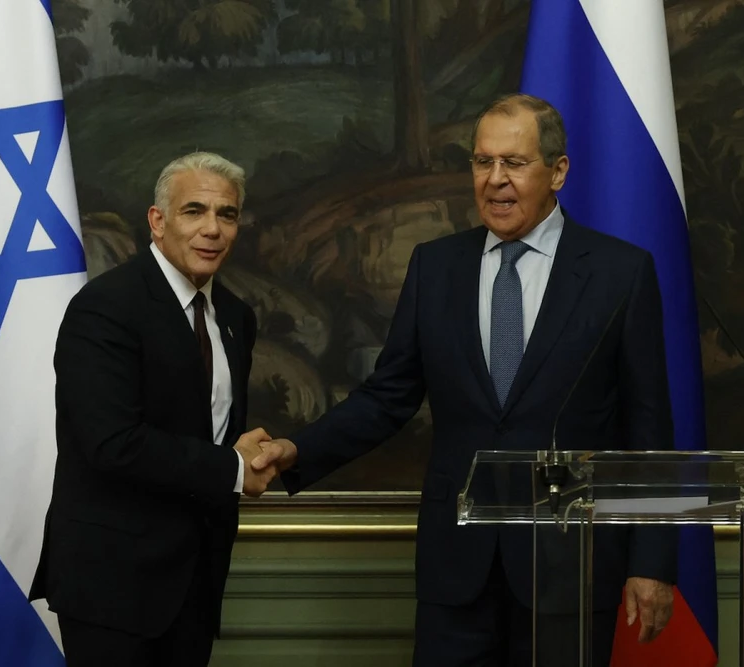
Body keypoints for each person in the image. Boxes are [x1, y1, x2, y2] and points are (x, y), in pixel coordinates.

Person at [255, 94, 677, 666]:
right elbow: (387, 397)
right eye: (482, 162)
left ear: (558, 171)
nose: (495, 179)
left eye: (514, 163)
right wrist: (297, 450)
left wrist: (651, 561)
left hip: (570, 569)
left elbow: (648, 429)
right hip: (456, 571)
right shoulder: (435, 267)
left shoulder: (619, 272)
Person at [29, 152, 278, 667]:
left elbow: (208, 430)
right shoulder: (106, 306)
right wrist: (233, 468)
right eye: (194, 211)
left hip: (196, 582)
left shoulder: (235, 317)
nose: (213, 229)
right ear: (158, 221)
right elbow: (111, 443)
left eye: (227, 214)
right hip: (112, 585)